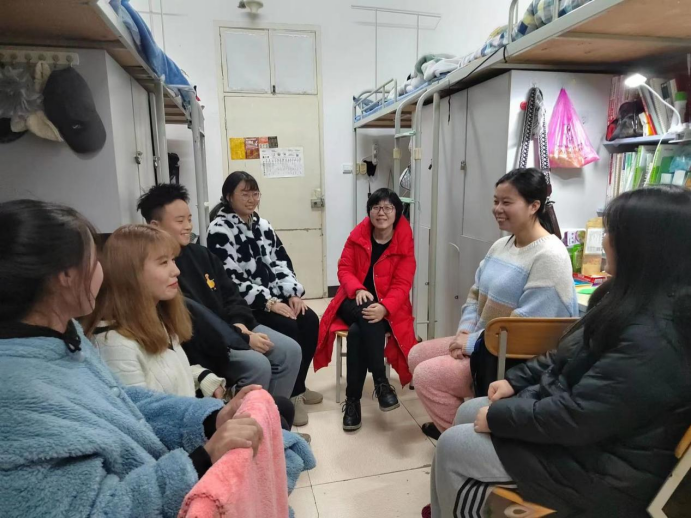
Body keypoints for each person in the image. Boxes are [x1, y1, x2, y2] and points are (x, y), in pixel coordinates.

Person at [431, 186, 691, 518]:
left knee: (454, 446)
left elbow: (580, 417)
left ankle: (457, 496)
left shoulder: (656, 336)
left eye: (612, 232)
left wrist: (500, 418)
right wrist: (515, 381)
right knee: (471, 411)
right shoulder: (625, 297)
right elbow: (566, 355)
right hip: (584, 438)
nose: (604, 241)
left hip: (602, 470)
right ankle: (454, 498)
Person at [0, 200, 264, 518]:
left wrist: (209, 419)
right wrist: (201, 460)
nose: (103, 270)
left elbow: (121, 404)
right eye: (95, 260)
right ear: (66, 275)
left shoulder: (64, 335)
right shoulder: (15, 396)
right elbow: (100, 509)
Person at [409, 168, 578, 440]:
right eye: (496, 201)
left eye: (507, 202)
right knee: (416, 355)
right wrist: (465, 331)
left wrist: (470, 343)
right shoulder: (501, 245)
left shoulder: (550, 256)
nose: (497, 209)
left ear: (534, 206)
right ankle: (456, 425)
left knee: (427, 376)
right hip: (484, 342)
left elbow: (526, 330)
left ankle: (463, 441)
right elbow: (475, 294)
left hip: (509, 358)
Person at [137, 184, 302, 401]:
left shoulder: (201, 254)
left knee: (291, 350)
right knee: (258, 364)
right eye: (180, 221)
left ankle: (275, 414)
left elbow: (231, 293)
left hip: (234, 327)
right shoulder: (154, 271)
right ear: (155, 226)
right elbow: (197, 321)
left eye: (189, 219)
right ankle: (248, 418)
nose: (188, 226)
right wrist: (241, 336)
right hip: (206, 342)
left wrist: (240, 322)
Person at [208, 171, 322, 426]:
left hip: (275, 296)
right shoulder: (220, 229)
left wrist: (292, 293)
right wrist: (268, 303)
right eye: (244, 194)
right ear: (229, 196)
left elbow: (281, 261)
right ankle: (289, 396)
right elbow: (231, 279)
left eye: (255, 193)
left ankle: (298, 387)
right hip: (248, 305)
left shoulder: (263, 225)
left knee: (309, 320)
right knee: (289, 327)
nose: (251, 199)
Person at [316, 188, 417, 431]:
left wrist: (385, 307)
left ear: (397, 212)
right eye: (376, 207)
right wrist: (357, 288)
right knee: (366, 312)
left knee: (357, 332)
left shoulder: (404, 242)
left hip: (387, 306)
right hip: (352, 300)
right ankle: (381, 382)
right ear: (369, 211)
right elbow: (344, 269)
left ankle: (353, 401)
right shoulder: (358, 236)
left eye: (388, 208)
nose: (382, 213)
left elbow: (403, 283)